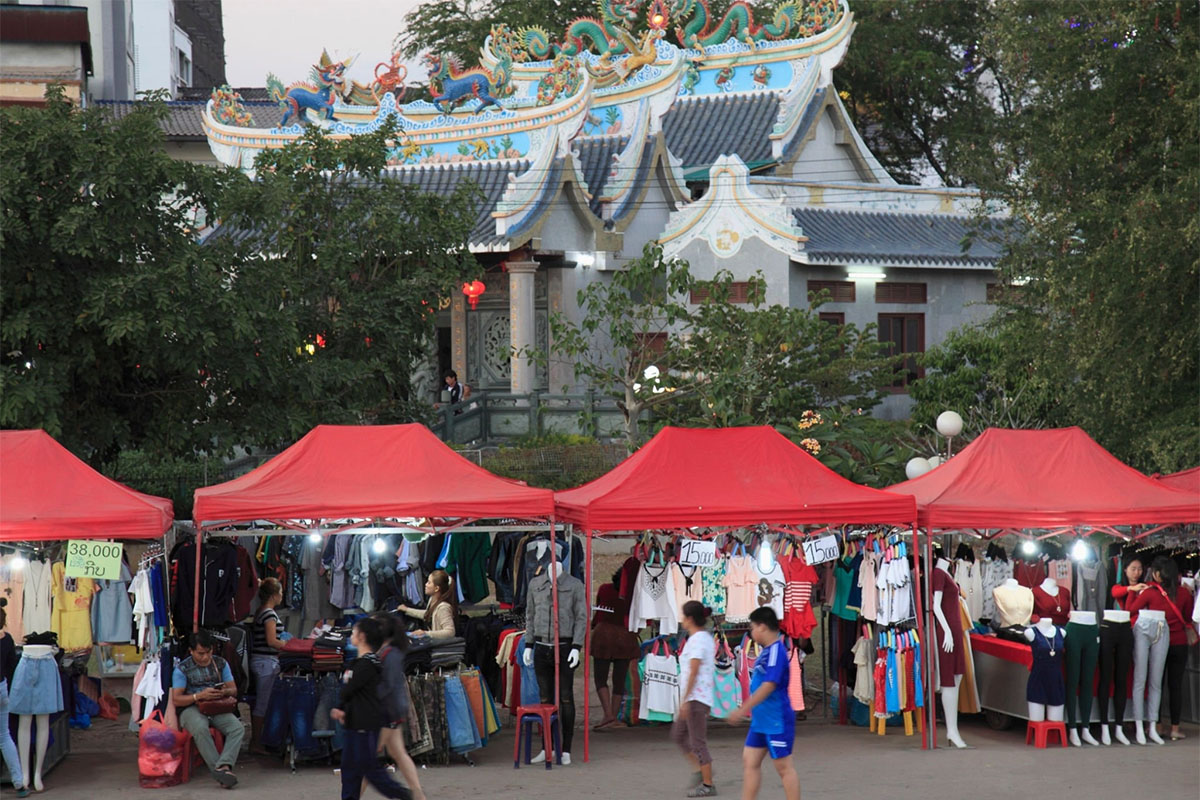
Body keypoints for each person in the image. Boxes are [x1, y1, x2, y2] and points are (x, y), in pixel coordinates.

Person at [331, 617, 413, 800]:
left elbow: (350, 690)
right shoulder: (361, 663)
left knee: (371, 771)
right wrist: (343, 709)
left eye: (353, 632)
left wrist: (341, 706)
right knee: (351, 771)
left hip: (364, 725)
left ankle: (406, 795)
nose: (351, 636)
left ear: (362, 636)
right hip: (355, 724)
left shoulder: (368, 665)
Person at [727, 607, 799, 800]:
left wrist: (743, 708)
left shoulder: (777, 651)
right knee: (750, 762)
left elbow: (769, 685)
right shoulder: (767, 651)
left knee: (784, 768)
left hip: (776, 720)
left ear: (762, 627)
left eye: (752, 628)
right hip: (760, 721)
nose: (751, 632)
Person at [1126, 556, 1195, 742]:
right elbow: (1188, 617)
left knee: (1155, 683)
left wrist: (1133, 590)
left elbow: (1131, 609)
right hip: (1179, 642)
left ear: (1156, 574)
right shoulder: (1184, 593)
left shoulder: (1150, 593)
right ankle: (1175, 728)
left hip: (1155, 641)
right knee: (1175, 686)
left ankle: (1155, 724)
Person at [171, 630, 245, 788]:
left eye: (208, 652)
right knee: (200, 728)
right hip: (191, 708)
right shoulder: (182, 669)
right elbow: (177, 699)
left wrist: (224, 691)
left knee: (237, 728)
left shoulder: (221, 663)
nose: (205, 657)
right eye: (200, 653)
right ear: (191, 651)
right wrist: (199, 696)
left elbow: (234, 690)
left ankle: (223, 765)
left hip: (215, 706)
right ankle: (219, 771)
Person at [373, 612, 426, 800]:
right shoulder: (390, 651)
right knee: (398, 753)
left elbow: (388, 684)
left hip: (388, 711)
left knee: (367, 759)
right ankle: (417, 793)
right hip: (392, 710)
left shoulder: (390, 654)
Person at [674, 601, 717, 797]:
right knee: (678, 735)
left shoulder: (699, 639)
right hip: (696, 696)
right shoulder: (698, 638)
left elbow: (694, 670)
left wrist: (686, 699)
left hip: (696, 697)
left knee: (697, 741)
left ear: (690, 619)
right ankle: (700, 770)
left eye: (683, 616)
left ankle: (708, 783)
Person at [591, 570, 641, 730]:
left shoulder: (604, 589)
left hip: (603, 636)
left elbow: (598, 612)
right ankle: (613, 717)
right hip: (625, 638)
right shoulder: (634, 596)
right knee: (619, 681)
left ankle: (608, 715)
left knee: (600, 678)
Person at [249, 578, 285, 754]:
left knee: (261, 703)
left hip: (261, 661)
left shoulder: (260, 611)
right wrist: (290, 645)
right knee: (262, 704)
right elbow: (272, 641)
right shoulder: (269, 614)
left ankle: (258, 740)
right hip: (265, 662)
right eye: (281, 592)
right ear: (273, 595)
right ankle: (256, 743)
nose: (282, 595)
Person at [0, 599, 29, 797]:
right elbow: (11, 667)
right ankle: (19, 783)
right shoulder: (7, 639)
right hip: (2, 688)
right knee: (4, 737)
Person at [396, 570, 457, 640]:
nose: (426, 584)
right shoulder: (432, 600)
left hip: (441, 648)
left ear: (436, 588)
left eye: (429, 582)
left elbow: (450, 632)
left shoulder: (443, 607)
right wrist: (407, 610)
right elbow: (428, 614)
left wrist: (426, 633)